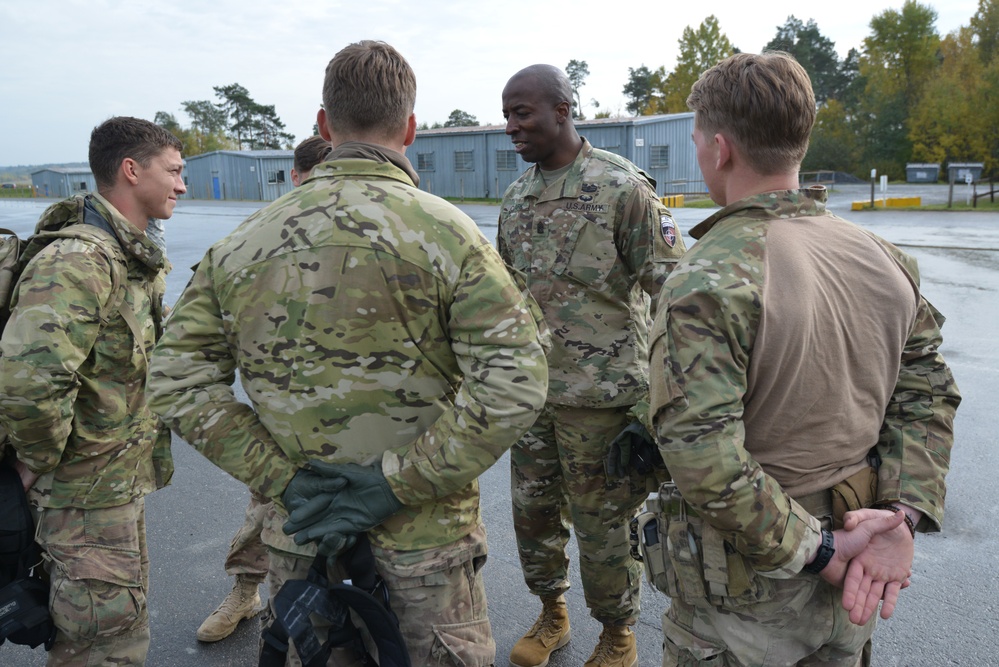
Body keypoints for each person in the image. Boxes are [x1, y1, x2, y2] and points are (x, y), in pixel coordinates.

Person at [146, 40, 549, 666]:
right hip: (425, 549)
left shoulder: (242, 244)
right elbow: (515, 382)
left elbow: (175, 380)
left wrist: (283, 480)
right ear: (411, 128)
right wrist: (397, 485)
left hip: (303, 540)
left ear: (325, 126)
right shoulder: (450, 235)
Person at [647, 51, 961, 666]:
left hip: (748, 594)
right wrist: (899, 517)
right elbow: (928, 392)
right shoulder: (884, 258)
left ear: (719, 148)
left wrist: (818, 551)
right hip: (859, 557)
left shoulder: (708, 278)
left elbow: (701, 454)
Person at [497, 63, 686, 667]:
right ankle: (552, 612)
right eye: (506, 115)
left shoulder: (621, 188)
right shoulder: (517, 197)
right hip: (532, 399)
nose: (511, 127)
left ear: (562, 108)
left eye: (521, 113)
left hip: (602, 405)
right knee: (532, 517)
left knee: (604, 531)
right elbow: (504, 295)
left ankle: (618, 634)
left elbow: (676, 293)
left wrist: (665, 396)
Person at [0, 116, 183, 665]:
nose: (181, 185)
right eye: (173, 171)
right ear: (132, 170)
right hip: (81, 498)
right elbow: (29, 381)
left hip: (108, 489)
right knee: (102, 647)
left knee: (114, 631)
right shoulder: (82, 259)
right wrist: (34, 461)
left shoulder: (124, 254)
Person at [195, 134, 332, 644]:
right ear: (295, 178)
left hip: (351, 405)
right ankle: (246, 592)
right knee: (267, 505)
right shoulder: (258, 240)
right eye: (314, 180)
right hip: (280, 408)